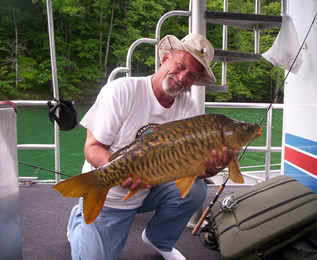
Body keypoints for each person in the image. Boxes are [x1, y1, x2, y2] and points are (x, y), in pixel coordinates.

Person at [67, 33, 231, 260]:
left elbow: (192, 168)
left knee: (196, 189)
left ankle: (159, 239)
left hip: (154, 187)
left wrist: (209, 170)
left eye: (191, 75)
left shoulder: (189, 109)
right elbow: (92, 147)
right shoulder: (121, 90)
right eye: (180, 65)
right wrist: (120, 173)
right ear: (166, 58)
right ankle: (81, 218)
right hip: (113, 194)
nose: (182, 77)